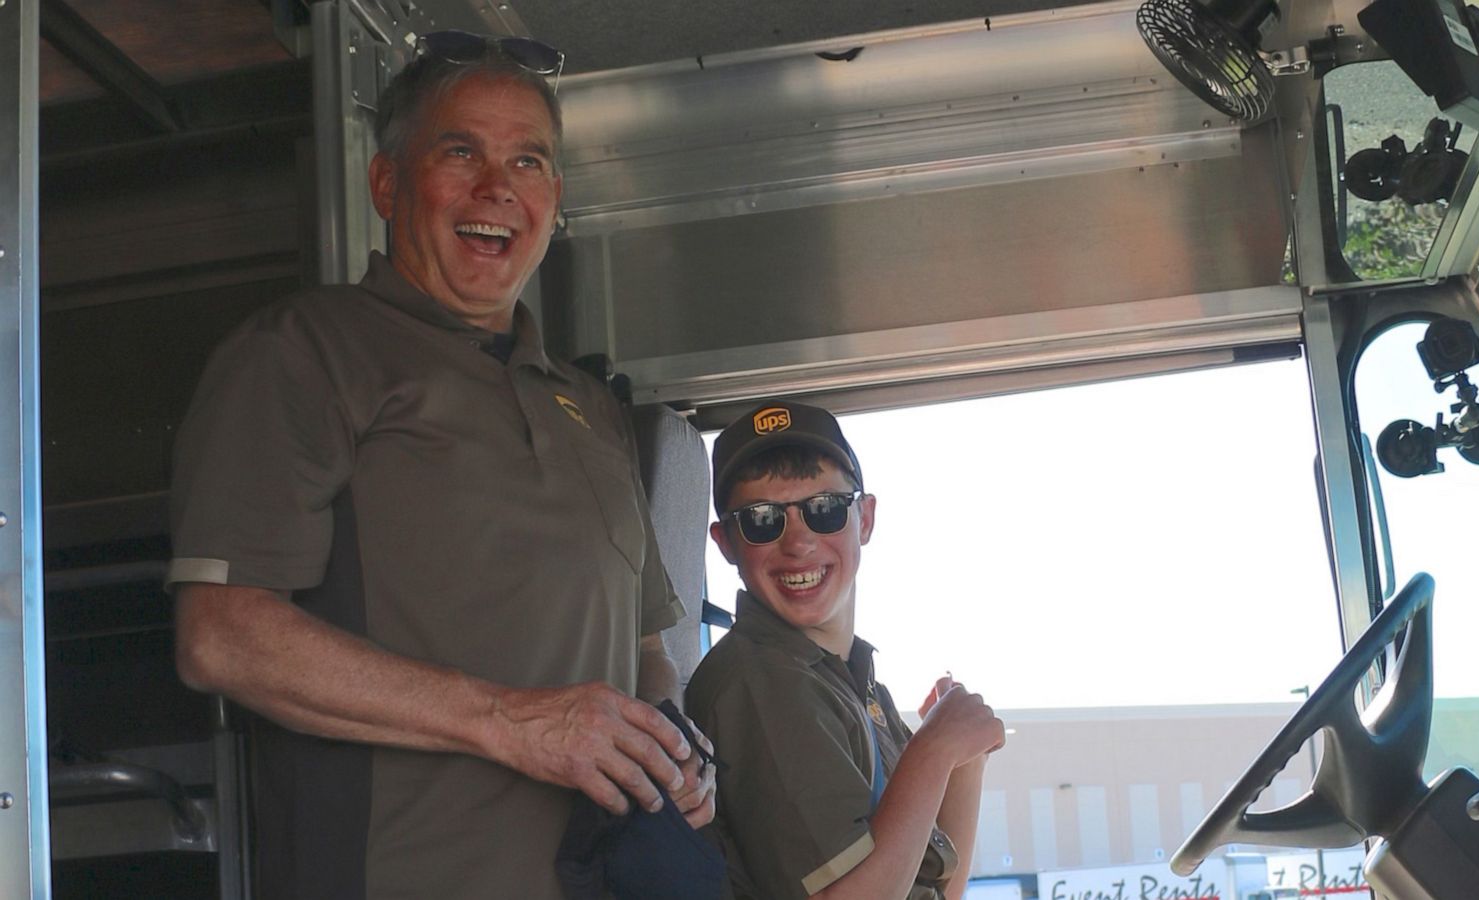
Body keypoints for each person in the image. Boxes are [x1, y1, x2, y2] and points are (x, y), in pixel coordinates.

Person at [167, 32, 712, 900]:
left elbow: (647, 649)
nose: (497, 187)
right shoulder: (303, 352)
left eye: (527, 161)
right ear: (387, 183)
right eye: (462, 152)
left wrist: (671, 746)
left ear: (555, 199)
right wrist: (510, 723)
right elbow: (220, 636)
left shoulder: (591, 410)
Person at [686, 401, 1005, 900]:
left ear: (866, 518)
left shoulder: (845, 680)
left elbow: (933, 891)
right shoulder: (763, 682)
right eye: (762, 520)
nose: (798, 542)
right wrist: (935, 751)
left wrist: (964, 763)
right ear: (726, 543)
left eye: (825, 510)